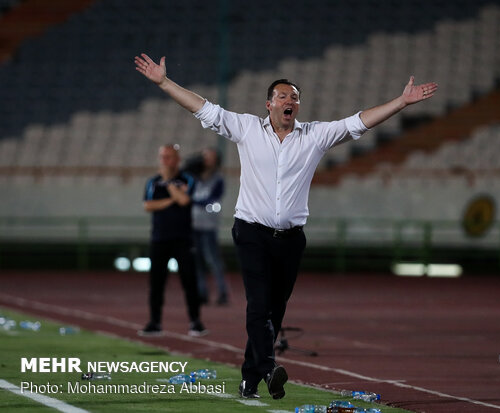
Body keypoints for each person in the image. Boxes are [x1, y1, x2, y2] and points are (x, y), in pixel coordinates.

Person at [135, 53, 437, 399]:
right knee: (258, 305)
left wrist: (401, 101)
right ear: (269, 105)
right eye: (283, 96)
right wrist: (163, 83)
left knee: (275, 311)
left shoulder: (315, 136)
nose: (290, 100)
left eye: (295, 96)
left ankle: (251, 377)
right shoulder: (247, 128)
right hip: (251, 231)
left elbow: (359, 122)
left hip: (291, 239)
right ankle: (268, 368)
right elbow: (203, 108)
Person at [140, 143, 208, 337]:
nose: (165, 161)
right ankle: (155, 322)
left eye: (169, 157)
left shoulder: (187, 179)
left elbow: (185, 201)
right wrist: (172, 198)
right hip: (159, 239)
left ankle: (195, 322)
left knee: (189, 281)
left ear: (177, 160)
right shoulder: (152, 182)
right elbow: (148, 205)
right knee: (156, 283)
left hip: (183, 239)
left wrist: (170, 185)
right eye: (163, 157)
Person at [191, 148, 230, 306]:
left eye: (210, 157)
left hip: (208, 225)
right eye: (205, 157)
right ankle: (202, 292)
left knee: (213, 260)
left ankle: (222, 291)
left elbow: (213, 198)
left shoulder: (218, 179)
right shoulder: (193, 177)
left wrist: (196, 202)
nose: (207, 160)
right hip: (193, 224)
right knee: (197, 260)